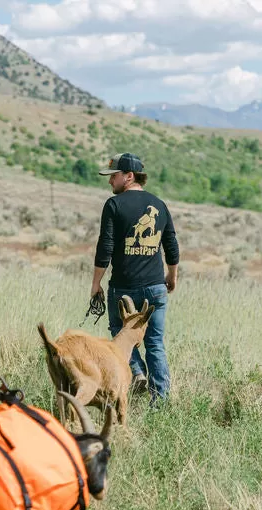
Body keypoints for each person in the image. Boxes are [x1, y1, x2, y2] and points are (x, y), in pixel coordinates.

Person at [90, 152, 179, 405]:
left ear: (129, 176)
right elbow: (171, 247)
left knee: (119, 332)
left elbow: (105, 247)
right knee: (155, 343)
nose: (110, 182)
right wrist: (171, 278)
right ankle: (159, 404)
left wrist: (96, 284)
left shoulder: (113, 205)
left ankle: (137, 372)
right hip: (155, 288)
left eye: (114, 176)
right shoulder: (160, 205)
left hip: (123, 288)